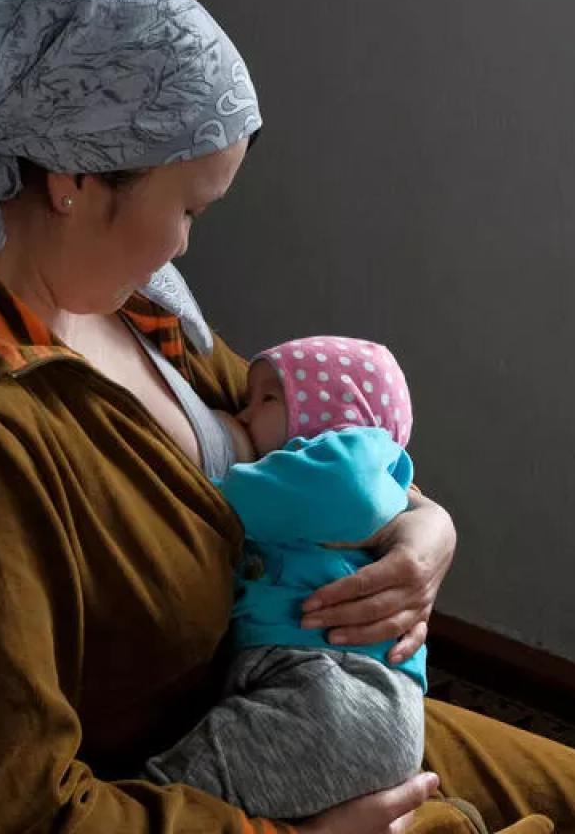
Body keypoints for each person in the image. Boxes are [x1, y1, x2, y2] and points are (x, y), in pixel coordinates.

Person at [0, 0, 575, 834]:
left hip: (295, 695)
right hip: (185, 788)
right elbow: (9, 813)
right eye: (190, 208)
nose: (185, 245)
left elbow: (304, 436)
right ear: (75, 177)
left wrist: (423, 525)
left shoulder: (135, 308)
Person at [146, 337, 426, 819]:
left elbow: (352, 492)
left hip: (341, 691)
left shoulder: (351, 456)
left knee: (175, 791)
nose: (246, 414)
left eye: (268, 399)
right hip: (324, 686)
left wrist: (207, 494)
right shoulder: (337, 474)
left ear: (333, 413)